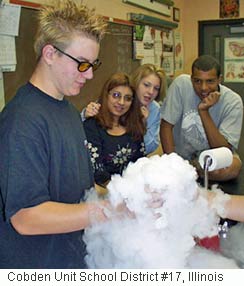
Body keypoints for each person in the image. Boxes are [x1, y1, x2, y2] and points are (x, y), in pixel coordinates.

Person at [0, 0, 116, 269]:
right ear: (50, 54)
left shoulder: (66, 111)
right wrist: (109, 212)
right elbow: (27, 217)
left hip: (71, 259)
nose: (88, 76)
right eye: (82, 64)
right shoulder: (22, 121)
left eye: (92, 64)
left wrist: (123, 195)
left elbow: (78, 188)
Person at [160, 54, 243, 181]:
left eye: (210, 81)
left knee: (233, 168)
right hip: (181, 157)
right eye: (197, 81)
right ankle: (190, 170)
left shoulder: (233, 101)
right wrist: (173, 165)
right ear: (191, 79)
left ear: (219, 79)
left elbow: (223, 149)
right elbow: (166, 126)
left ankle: (194, 170)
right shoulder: (181, 85)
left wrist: (204, 111)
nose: (203, 88)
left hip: (212, 159)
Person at [81, 64, 167, 155]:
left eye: (156, 88)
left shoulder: (154, 109)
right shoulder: (112, 101)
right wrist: (85, 115)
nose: (151, 92)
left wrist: (142, 126)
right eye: (146, 85)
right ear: (136, 83)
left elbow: (149, 147)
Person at [83, 72, 146, 189]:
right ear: (106, 95)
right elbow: (97, 170)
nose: (121, 102)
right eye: (116, 95)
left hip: (133, 192)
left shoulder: (135, 126)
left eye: (127, 98)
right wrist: (121, 192)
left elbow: (141, 163)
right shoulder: (92, 126)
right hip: (102, 193)